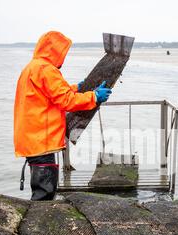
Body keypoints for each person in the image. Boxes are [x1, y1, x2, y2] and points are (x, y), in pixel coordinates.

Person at [14, 31, 112, 201]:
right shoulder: (47, 69)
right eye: (63, 52)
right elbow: (66, 100)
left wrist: (76, 87)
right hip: (41, 140)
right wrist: (94, 97)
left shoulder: (32, 67)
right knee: (45, 191)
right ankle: (39, 223)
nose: (63, 57)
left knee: (40, 185)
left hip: (31, 138)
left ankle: (36, 220)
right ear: (55, 51)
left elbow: (49, 94)